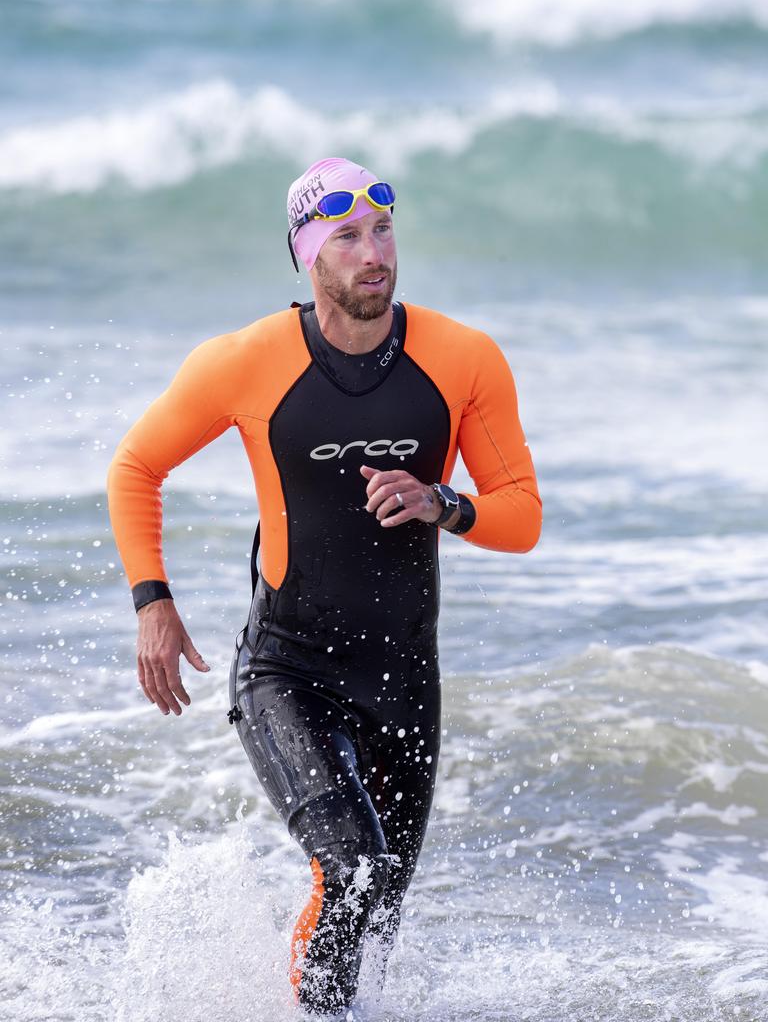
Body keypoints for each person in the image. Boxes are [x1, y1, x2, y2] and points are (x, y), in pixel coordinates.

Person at [106, 156, 542, 1019]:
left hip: (404, 681)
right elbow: (136, 465)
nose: (374, 253)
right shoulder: (245, 362)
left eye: (383, 231)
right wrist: (152, 600)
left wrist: (440, 502)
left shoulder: (462, 358)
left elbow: (521, 515)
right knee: (351, 864)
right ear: (310, 253)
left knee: (377, 908)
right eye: (347, 236)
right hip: (287, 670)